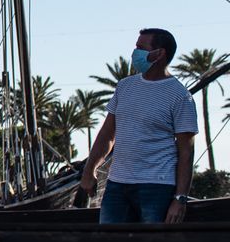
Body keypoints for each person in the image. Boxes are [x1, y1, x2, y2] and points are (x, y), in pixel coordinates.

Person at [78, 28, 197, 224]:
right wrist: (89, 170)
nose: (135, 53)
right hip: (117, 185)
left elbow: (186, 151)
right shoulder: (125, 87)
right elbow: (107, 135)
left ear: (159, 53)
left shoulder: (180, 96)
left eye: (140, 48)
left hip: (157, 187)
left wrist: (180, 198)